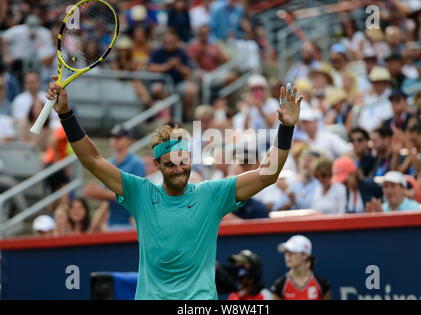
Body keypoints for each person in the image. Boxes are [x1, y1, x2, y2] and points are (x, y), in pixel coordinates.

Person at [46, 75, 303, 299]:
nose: (178, 169)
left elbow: (266, 175)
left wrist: (287, 127)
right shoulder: (140, 193)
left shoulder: (211, 194)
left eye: (183, 162)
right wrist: (66, 114)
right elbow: (93, 160)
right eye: (170, 165)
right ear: (157, 165)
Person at [83, 125, 146, 230]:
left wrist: (101, 194)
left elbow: (134, 195)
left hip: (130, 223)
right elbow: (106, 201)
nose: (115, 140)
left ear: (129, 141)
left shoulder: (136, 163)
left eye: (119, 137)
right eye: (113, 137)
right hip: (112, 223)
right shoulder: (109, 163)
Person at [148, 30, 198, 121]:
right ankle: (170, 115)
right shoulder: (157, 52)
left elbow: (188, 71)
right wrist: (167, 66)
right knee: (156, 88)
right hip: (163, 84)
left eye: (171, 42)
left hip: (178, 83)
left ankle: (185, 117)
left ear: (176, 42)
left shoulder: (181, 53)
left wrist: (178, 66)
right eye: (166, 42)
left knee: (191, 89)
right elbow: (151, 67)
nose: (168, 44)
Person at [271, 235, 331, 300]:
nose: (288, 255)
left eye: (292, 252)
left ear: (304, 255)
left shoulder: (322, 284)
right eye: (286, 251)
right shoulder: (279, 286)